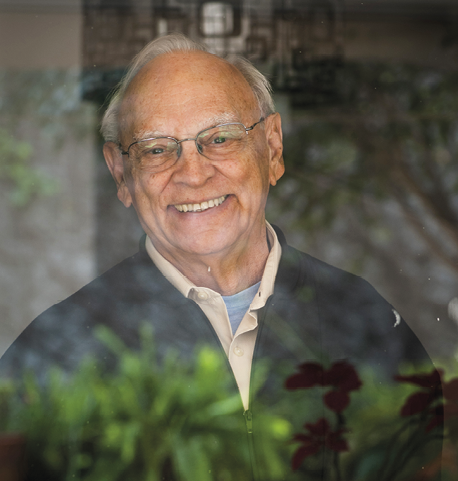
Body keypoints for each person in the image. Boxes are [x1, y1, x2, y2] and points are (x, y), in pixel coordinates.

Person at [0, 34, 442, 480]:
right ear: (121, 174)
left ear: (272, 148)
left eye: (221, 138)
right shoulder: (55, 351)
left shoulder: (366, 319)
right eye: (156, 148)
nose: (192, 173)